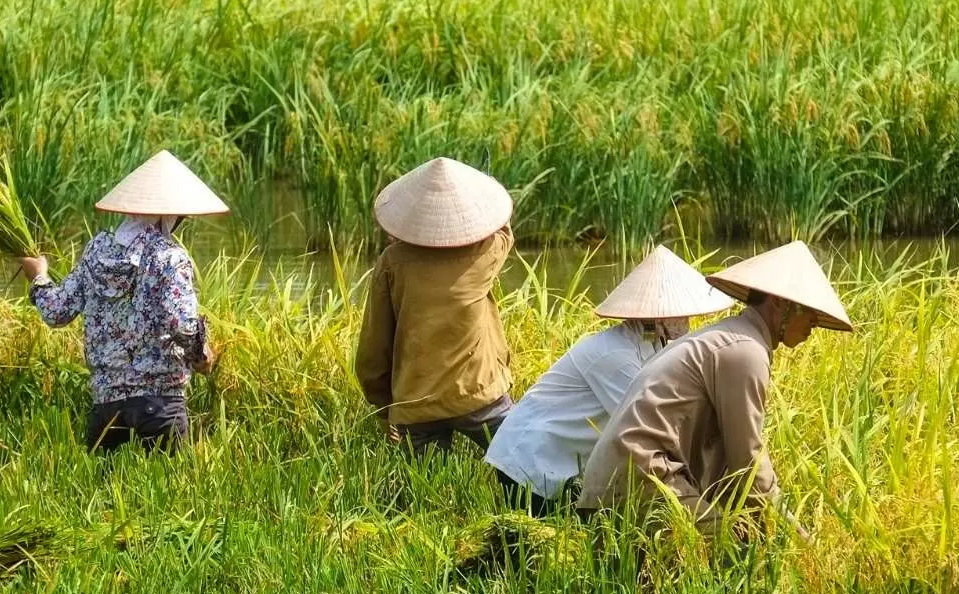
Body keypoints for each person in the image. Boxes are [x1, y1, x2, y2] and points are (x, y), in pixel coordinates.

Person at [576, 241, 852, 527]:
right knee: (731, 542)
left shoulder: (731, 337)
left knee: (741, 528)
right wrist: (795, 536)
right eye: (808, 312)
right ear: (779, 303)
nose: (814, 324)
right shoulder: (745, 350)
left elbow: (727, 466)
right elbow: (748, 462)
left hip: (614, 484)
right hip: (637, 480)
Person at [484, 246, 732, 516]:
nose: (686, 321)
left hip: (561, 460)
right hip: (530, 458)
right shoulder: (615, 356)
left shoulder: (654, 345)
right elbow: (646, 427)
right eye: (679, 314)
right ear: (656, 315)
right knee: (542, 544)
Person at [16, 150, 226, 452]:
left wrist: (38, 275)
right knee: (168, 497)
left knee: (102, 498)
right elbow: (183, 325)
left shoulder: (97, 251)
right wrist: (202, 357)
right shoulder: (169, 257)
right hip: (159, 407)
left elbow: (56, 312)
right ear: (170, 216)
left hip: (106, 410)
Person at [353, 157, 515, 454]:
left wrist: (385, 408)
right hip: (481, 395)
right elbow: (503, 230)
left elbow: (374, 347)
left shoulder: (392, 262)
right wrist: (490, 194)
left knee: (422, 491)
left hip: (415, 404)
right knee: (521, 462)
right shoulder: (485, 254)